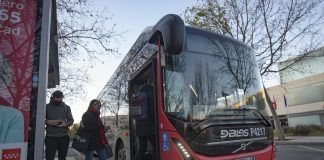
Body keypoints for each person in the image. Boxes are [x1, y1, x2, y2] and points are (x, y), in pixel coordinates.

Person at [45, 90, 74, 160]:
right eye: (57, 98)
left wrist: (65, 124)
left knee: (62, 158)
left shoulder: (67, 107)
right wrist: (48, 121)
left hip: (64, 137)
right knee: (49, 157)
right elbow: (40, 120)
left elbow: (71, 120)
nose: (58, 100)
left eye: (60, 98)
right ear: (53, 97)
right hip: (51, 137)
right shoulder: (46, 107)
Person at [134, 77, 156, 160]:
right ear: (152, 83)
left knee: (142, 149)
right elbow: (153, 110)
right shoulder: (151, 93)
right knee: (157, 148)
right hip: (149, 127)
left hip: (139, 127)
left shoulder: (139, 94)